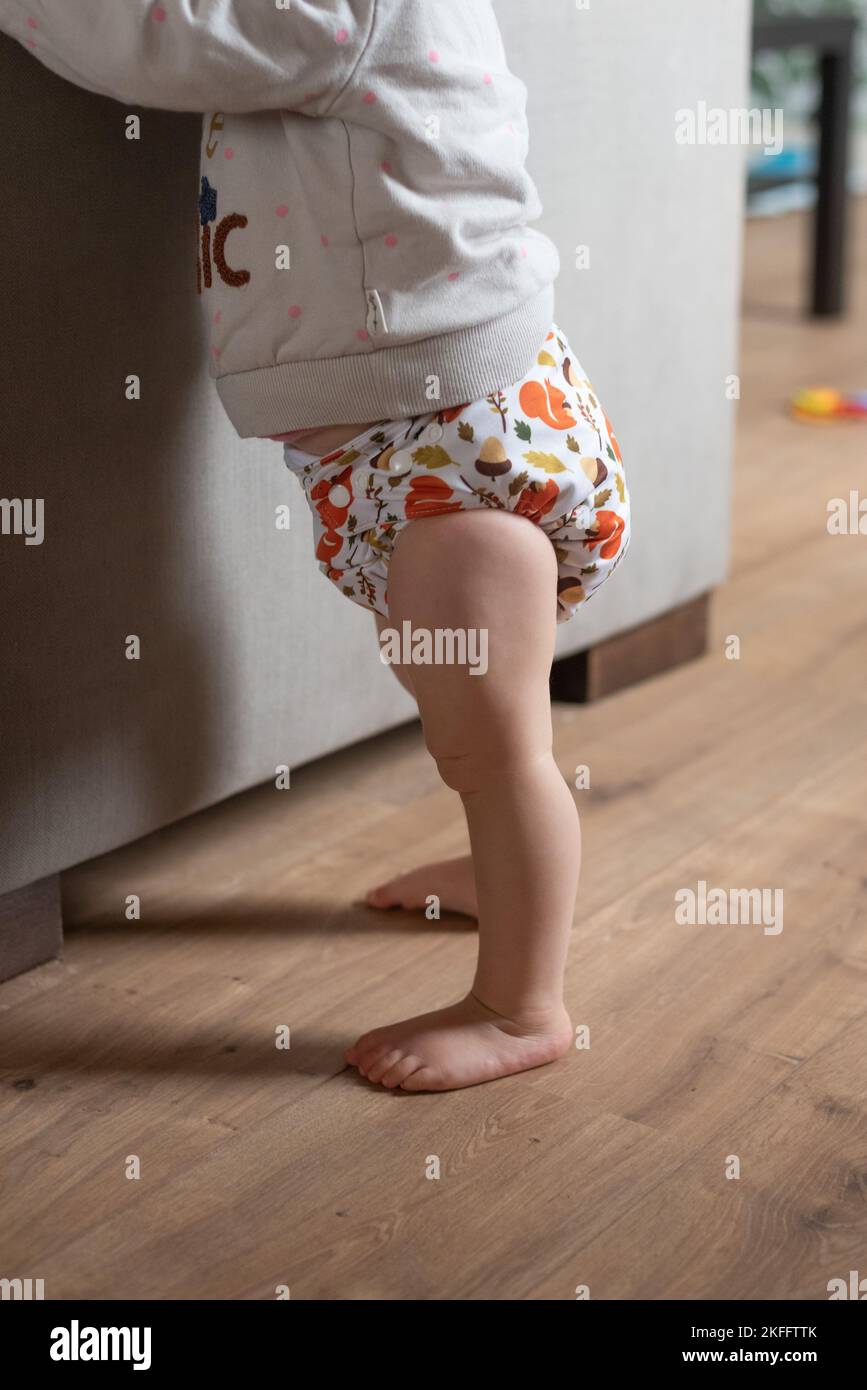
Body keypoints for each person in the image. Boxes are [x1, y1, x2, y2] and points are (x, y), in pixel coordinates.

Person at [2, 0, 630, 1090]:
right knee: (467, 726)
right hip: (425, 437)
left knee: (496, 743)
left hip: (451, 453)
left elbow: (166, 40)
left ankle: (520, 1004)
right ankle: (505, 868)